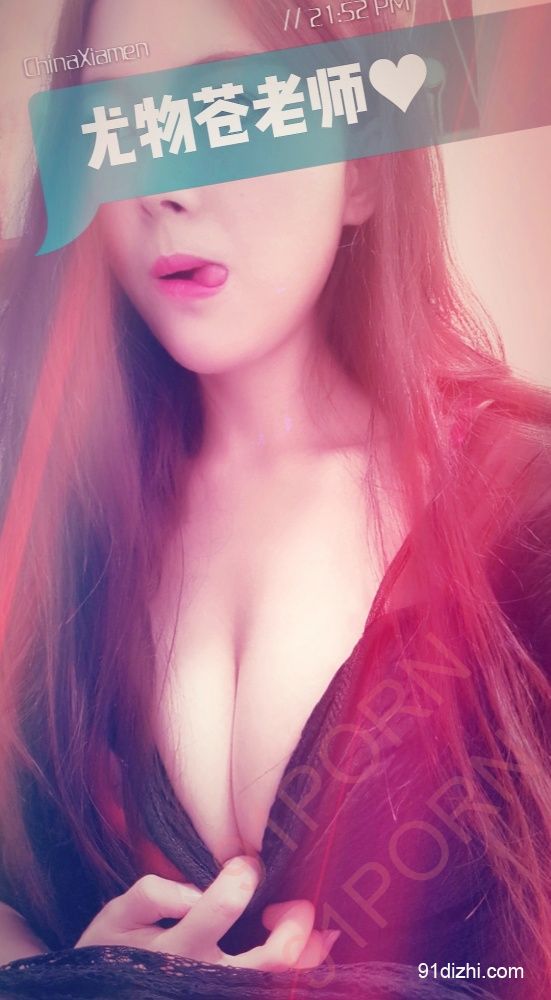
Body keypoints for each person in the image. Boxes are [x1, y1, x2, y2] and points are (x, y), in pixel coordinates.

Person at [0, 0, 550, 997]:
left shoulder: (523, 506)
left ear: (364, 169)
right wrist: (65, 974)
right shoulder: (35, 509)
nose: (162, 189)